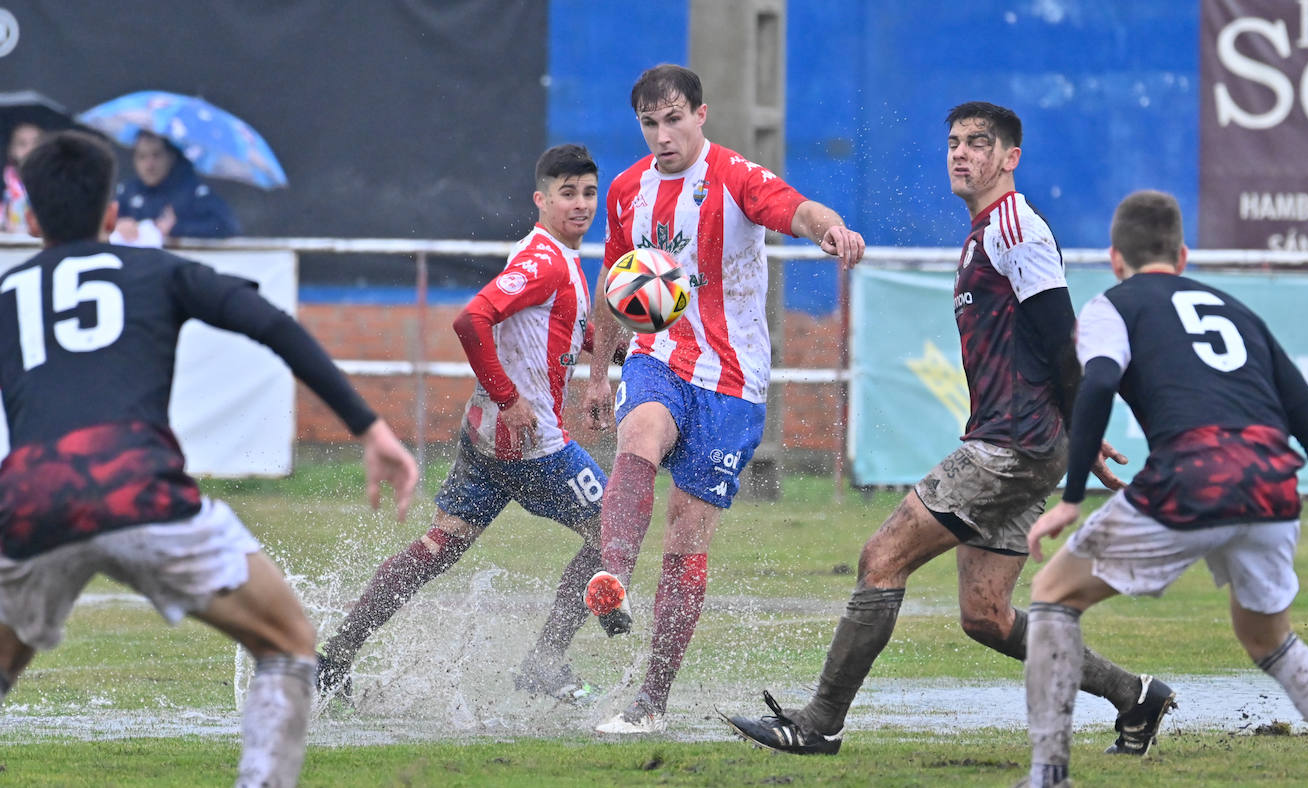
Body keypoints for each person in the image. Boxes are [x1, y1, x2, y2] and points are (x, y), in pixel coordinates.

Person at [724, 102, 1173, 756]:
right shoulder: (983, 231)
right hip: (1022, 439)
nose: (960, 153)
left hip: (1011, 446)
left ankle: (819, 723)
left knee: (882, 558)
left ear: (1010, 158)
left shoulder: (1015, 227)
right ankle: (1137, 696)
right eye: (954, 142)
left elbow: (1061, 340)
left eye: (978, 143)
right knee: (987, 615)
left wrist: (1081, 429)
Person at [0, 131, 419, 787]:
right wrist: (369, 428)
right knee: (287, 646)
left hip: (29, 505)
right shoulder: (157, 269)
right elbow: (270, 323)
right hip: (138, 490)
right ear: (113, 213)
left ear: (29, 218)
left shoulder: (6, 295)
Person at [1021, 190, 1308, 788]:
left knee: (1053, 594)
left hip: (1192, 476)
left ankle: (1048, 776)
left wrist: (1073, 497)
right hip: (1271, 488)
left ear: (1115, 259)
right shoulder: (1240, 312)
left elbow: (1099, 383)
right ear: (1182, 255)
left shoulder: (1114, 303)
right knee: (1268, 638)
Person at [579, 63, 866, 734]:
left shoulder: (734, 177)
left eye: (673, 119)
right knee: (640, 434)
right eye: (649, 124)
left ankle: (649, 703)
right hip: (659, 357)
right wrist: (597, 374)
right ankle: (613, 578)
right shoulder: (627, 191)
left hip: (734, 382)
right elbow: (614, 282)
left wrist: (830, 229)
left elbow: (796, 208)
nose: (662, 135)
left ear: (700, 115)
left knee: (686, 531)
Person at [316, 143, 618, 704]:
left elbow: (569, 330)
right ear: (541, 199)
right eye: (567, 194)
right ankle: (546, 662)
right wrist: (509, 399)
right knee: (615, 528)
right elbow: (470, 319)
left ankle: (334, 658)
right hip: (532, 445)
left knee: (438, 547)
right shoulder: (545, 260)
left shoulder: (558, 259)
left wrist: (615, 352)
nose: (580, 205)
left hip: (485, 441)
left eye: (588, 193)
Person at [114, 130, 240, 243]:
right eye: (142, 157)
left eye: (156, 155)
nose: (149, 165)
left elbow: (228, 226)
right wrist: (116, 226)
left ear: (171, 156)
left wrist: (176, 228)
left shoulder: (192, 191)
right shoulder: (127, 191)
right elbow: (101, 226)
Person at [2, 121, 41, 232]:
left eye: (36, 142)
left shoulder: (56, 180)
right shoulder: (6, 180)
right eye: (22, 144)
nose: (30, 149)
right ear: (12, 150)